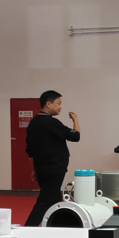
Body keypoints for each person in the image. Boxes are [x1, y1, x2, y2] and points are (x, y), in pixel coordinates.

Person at [24, 91, 80, 227]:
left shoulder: (33, 123)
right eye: (58, 103)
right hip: (54, 169)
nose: (61, 107)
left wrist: (33, 169)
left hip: (41, 169)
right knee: (45, 201)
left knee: (55, 201)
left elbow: (30, 151)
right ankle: (28, 228)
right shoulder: (51, 122)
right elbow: (75, 136)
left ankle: (59, 227)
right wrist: (75, 120)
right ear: (48, 104)